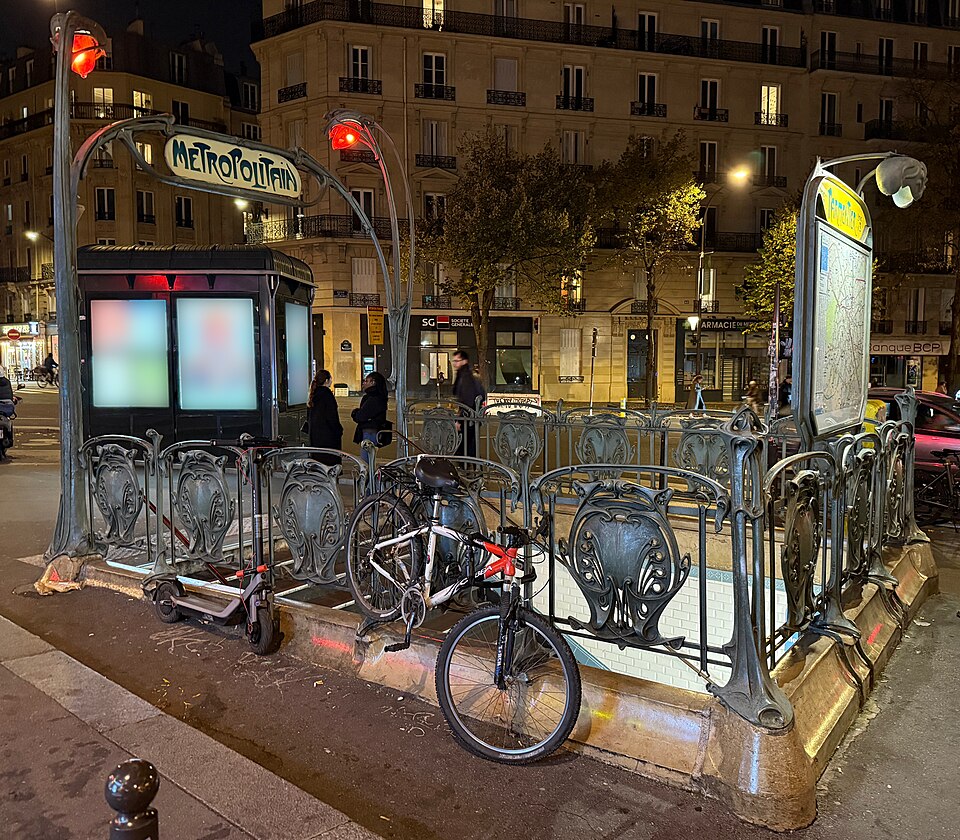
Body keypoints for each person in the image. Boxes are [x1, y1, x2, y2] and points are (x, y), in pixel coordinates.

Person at [452, 349, 486, 458]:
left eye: (457, 361)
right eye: (454, 361)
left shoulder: (465, 377)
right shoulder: (466, 375)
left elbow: (467, 400)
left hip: (468, 418)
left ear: (464, 361)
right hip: (472, 416)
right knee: (469, 447)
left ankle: (470, 471)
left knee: (464, 448)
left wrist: (460, 421)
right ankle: (474, 471)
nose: (455, 364)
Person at [307, 369, 343, 466]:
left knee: (319, 465)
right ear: (326, 380)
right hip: (328, 436)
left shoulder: (313, 395)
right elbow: (332, 416)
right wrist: (339, 430)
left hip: (315, 436)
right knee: (330, 464)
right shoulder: (327, 395)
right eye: (330, 378)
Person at [351, 371, 388, 464]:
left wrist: (355, 413)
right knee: (369, 460)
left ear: (373, 382)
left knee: (366, 463)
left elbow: (361, 415)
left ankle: (368, 478)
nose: (364, 383)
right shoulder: (377, 397)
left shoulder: (374, 398)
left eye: (366, 381)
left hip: (370, 432)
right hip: (372, 431)